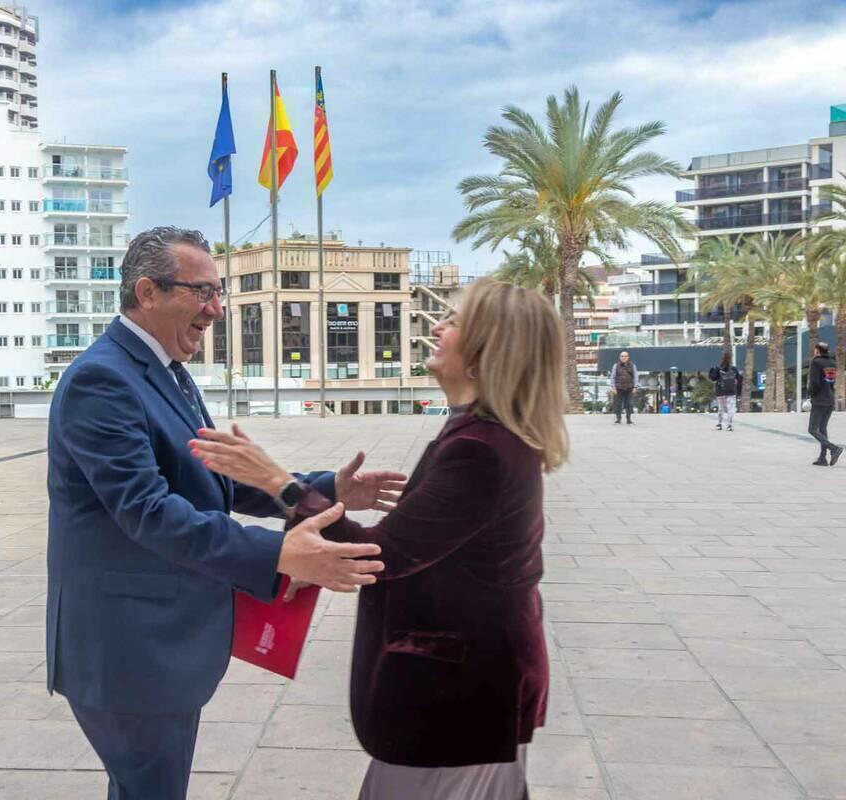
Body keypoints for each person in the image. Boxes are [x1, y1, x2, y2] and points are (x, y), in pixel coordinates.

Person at [46, 226, 403, 800]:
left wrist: (322, 486)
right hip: (126, 650)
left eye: (220, 294)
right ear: (147, 292)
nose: (215, 309)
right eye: (203, 292)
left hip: (156, 645)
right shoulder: (102, 379)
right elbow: (147, 511)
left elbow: (211, 475)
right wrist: (280, 552)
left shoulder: (165, 368)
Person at [193, 278, 568, 800]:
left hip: (461, 700)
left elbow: (374, 557)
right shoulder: (480, 434)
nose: (437, 327)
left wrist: (279, 483)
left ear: (488, 351)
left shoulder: (481, 448)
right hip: (471, 696)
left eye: (455, 322)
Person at [808, 341, 842, 466]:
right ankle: (823, 458)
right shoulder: (832, 363)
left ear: (817, 350)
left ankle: (833, 448)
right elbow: (831, 382)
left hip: (819, 400)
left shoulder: (816, 362)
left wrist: (811, 394)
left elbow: (815, 383)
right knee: (822, 428)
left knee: (812, 429)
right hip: (829, 399)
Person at [708, 353, 742, 431]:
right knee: (731, 409)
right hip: (731, 391)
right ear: (731, 359)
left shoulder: (718, 368)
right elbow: (739, 379)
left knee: (721, 408)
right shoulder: (734, 369)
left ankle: (719, 424)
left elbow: (713, 378)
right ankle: (730, 425)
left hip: (720, 391)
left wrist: (711, 371)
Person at [608, 350, 639, 424]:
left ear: (628, 357)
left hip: (629, 388)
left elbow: (636, 376)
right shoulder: (615, 366)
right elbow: (612, 377)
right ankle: (618, 419)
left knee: (629, 404)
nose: (624, 357)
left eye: (625, 356)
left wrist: (635, 387)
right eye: (622, 356)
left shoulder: (632, 365)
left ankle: (629, 419)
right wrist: (613, 387)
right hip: (618, 388)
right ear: (620, 357)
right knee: (618, 404)